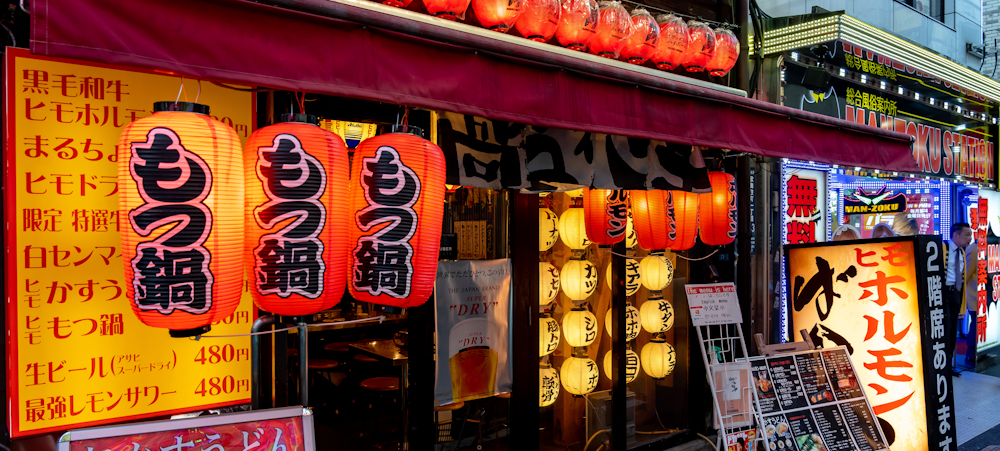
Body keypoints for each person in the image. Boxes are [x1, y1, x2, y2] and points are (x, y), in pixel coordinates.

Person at [945, 223, 973, 376]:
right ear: (956, 235)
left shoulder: (962, 252)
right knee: (945, 329)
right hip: (943, 294)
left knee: (952, 331)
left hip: (955, 294)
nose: (970, 238)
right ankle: (942, 365)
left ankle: (949, 365)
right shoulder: (942, 248)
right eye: (967, 235)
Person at [963, 241, 979, 367]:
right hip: (974, 293)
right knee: (976, 323)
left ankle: (974, 353)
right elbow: (967, 273)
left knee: (977, 323)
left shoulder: (976, 248)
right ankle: (971, 353)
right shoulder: (974, 249)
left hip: (980, 293)